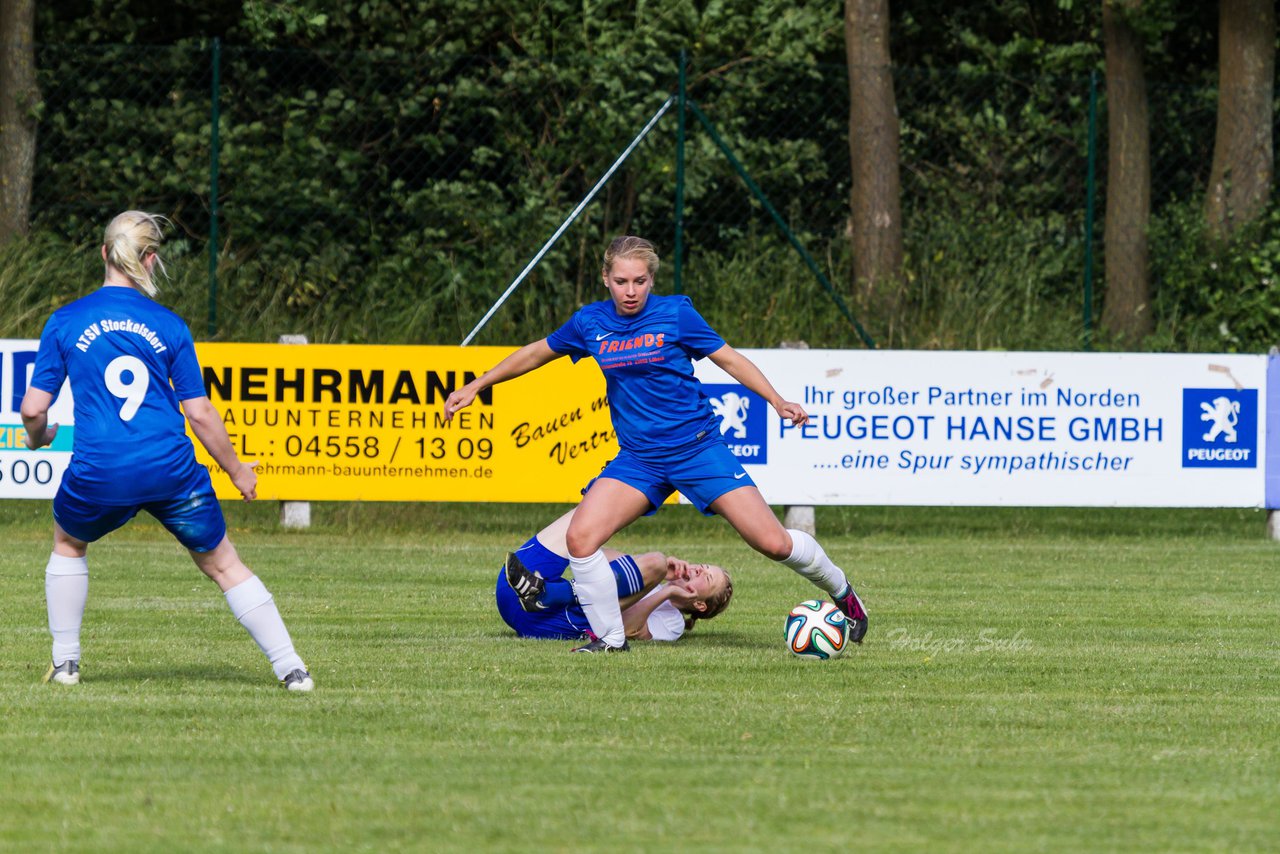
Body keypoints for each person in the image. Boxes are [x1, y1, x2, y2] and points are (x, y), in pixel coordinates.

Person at [445, 235, 867, 652]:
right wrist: (479, 384)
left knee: (773, 542)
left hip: (697, 450)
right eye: (622, 281)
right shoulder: (589, 323)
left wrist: (776, 400)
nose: (631, 291)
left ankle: (843, 593)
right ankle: (610, 640)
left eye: (641, 281)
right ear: (605, 279)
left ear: (652, 280)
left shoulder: (676, 314)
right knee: (581, 539)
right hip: (639, 461)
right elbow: (537, 353)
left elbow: (730, 359)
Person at [20, 211, 314, 691]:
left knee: (69, 544)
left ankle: (66, 663)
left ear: (103, 254)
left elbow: (33, 408)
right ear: (150, 260)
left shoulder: (66, 320)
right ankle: (291, 668)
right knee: (223, 564)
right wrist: (238, 470)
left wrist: (39, 438)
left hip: (101, 470)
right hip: (170, 469)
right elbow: (199, 414)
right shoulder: (170, 325)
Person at [495, 508, 732, 643]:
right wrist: (655, 576)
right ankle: (543, 593)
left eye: (707, 577)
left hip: (552, 623)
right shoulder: (651, 579)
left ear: (700, 604)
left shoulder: (674, 623)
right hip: (511, 593)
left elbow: (628, 629)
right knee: (587, 511)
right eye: (702, 565)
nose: (699, 569)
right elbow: (590, 553)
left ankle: (549, 594)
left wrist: (666, 591)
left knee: (656, 560)